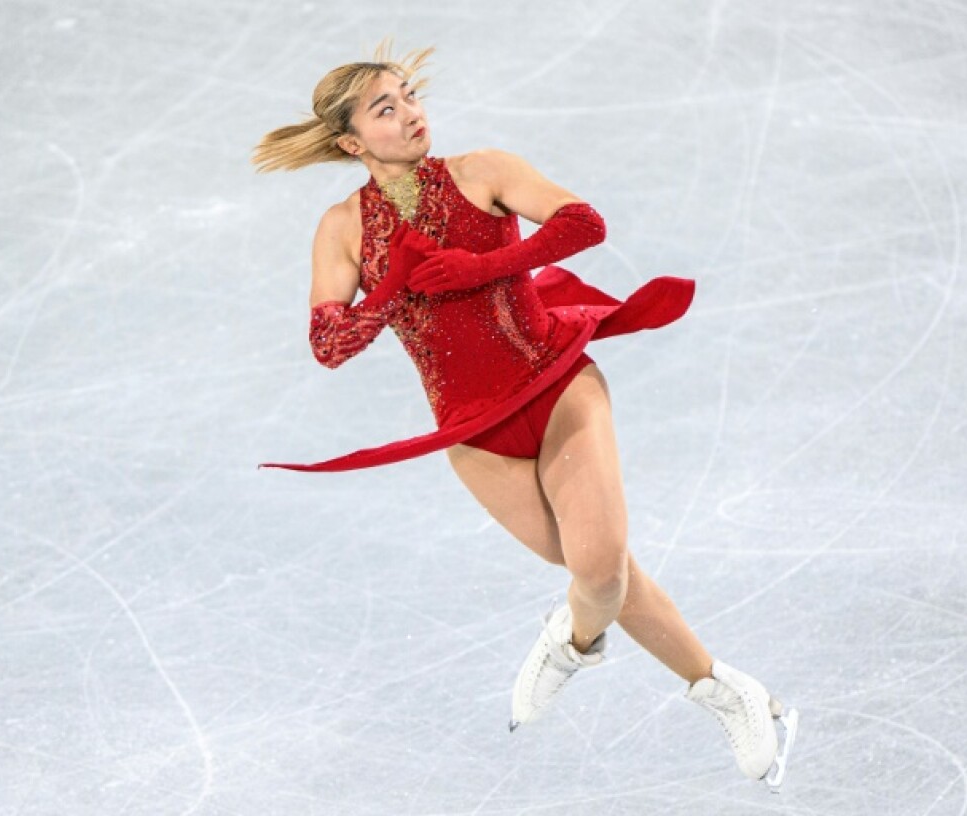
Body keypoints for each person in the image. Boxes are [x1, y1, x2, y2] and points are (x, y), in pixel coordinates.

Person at [250, 38, 798, 791]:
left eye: (409, 94)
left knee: (598, 571)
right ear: (351, 141)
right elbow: (329, 344)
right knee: (602, 577)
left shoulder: (482, 172)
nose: (411, 112)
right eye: (387, 108)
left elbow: (583, 223)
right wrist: (387, 292)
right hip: (477, 434)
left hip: (555, 380)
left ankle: (573, 644)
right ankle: (727, 687)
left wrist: (483, 266)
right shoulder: (343, 229)